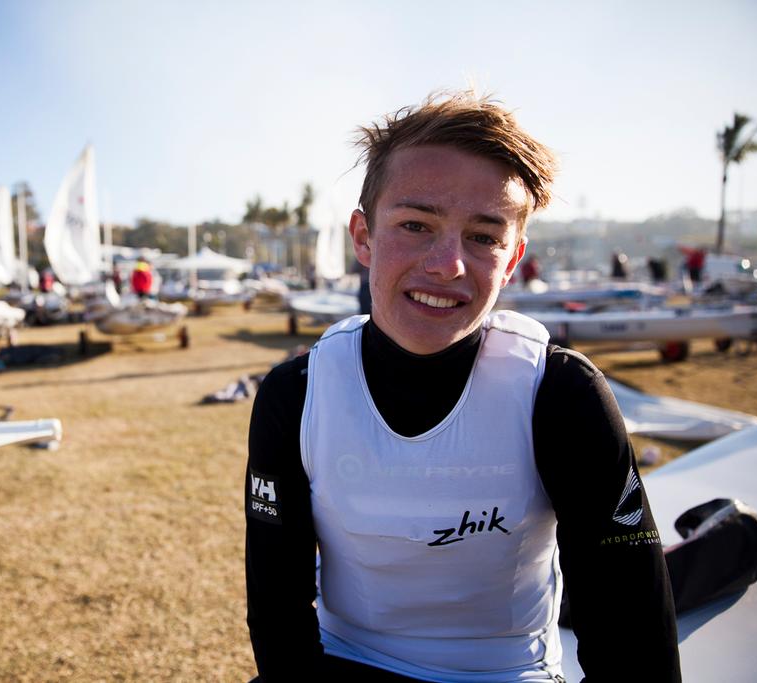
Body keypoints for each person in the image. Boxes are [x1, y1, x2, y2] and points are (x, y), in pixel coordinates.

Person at [245, 91, 680, 681]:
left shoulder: (560, 393)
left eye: (483, 236)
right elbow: (278, 608)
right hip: (343, 661)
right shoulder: (296, 392)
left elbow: (630, 625)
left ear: (513, 257)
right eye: (415, 225)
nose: (447, 264)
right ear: (363, 237)